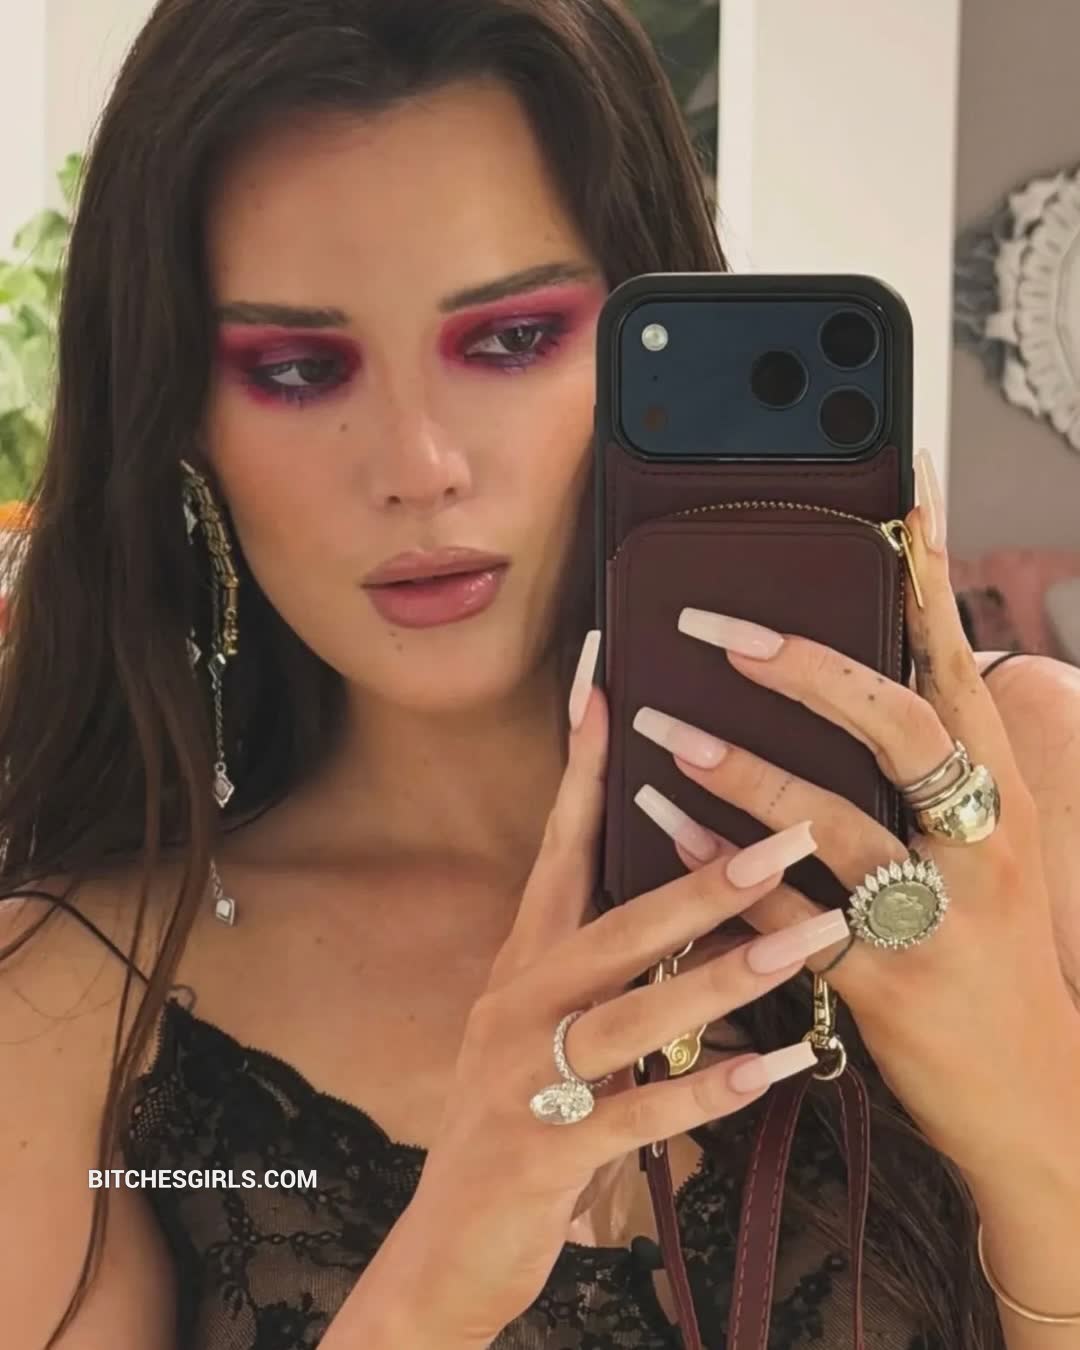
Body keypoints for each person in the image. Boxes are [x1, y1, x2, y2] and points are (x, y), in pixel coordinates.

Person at [2, 2, 1079, 1348]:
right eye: (299, 367)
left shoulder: (1031, 801)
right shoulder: (69, 1001)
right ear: (180, 417)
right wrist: (433, 1283)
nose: (420, 464)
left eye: (510, 340)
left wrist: (1038, 1129)